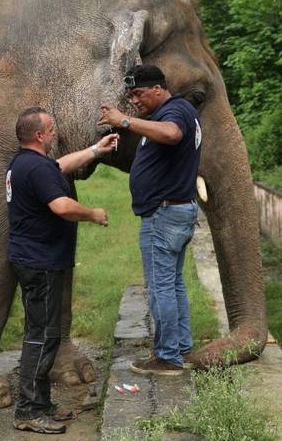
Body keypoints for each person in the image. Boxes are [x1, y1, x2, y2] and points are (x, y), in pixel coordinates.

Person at [6, 107, 118, 434]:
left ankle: (39, 404)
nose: (54, 133)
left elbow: (59, 166)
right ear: (39, 135)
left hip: (36, 259)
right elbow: (61, 206)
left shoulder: (25, 163)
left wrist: (97, 150)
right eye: (51, 129)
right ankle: (27, 409)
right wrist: (92, 213)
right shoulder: (35, 168)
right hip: (40, 263)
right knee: (40, 338)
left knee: (46, 335)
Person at [97, 64, 202, 376]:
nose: (135, 101)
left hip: (164, 214)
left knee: (160, 287)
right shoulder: (171, 112)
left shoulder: (176, 112)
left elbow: (172, 135)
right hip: (173, 211)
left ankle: (168, 357)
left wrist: (125, 121)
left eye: (139, 94)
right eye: (131, 96)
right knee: (173, 283)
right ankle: (182, 348)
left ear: (158, 88)